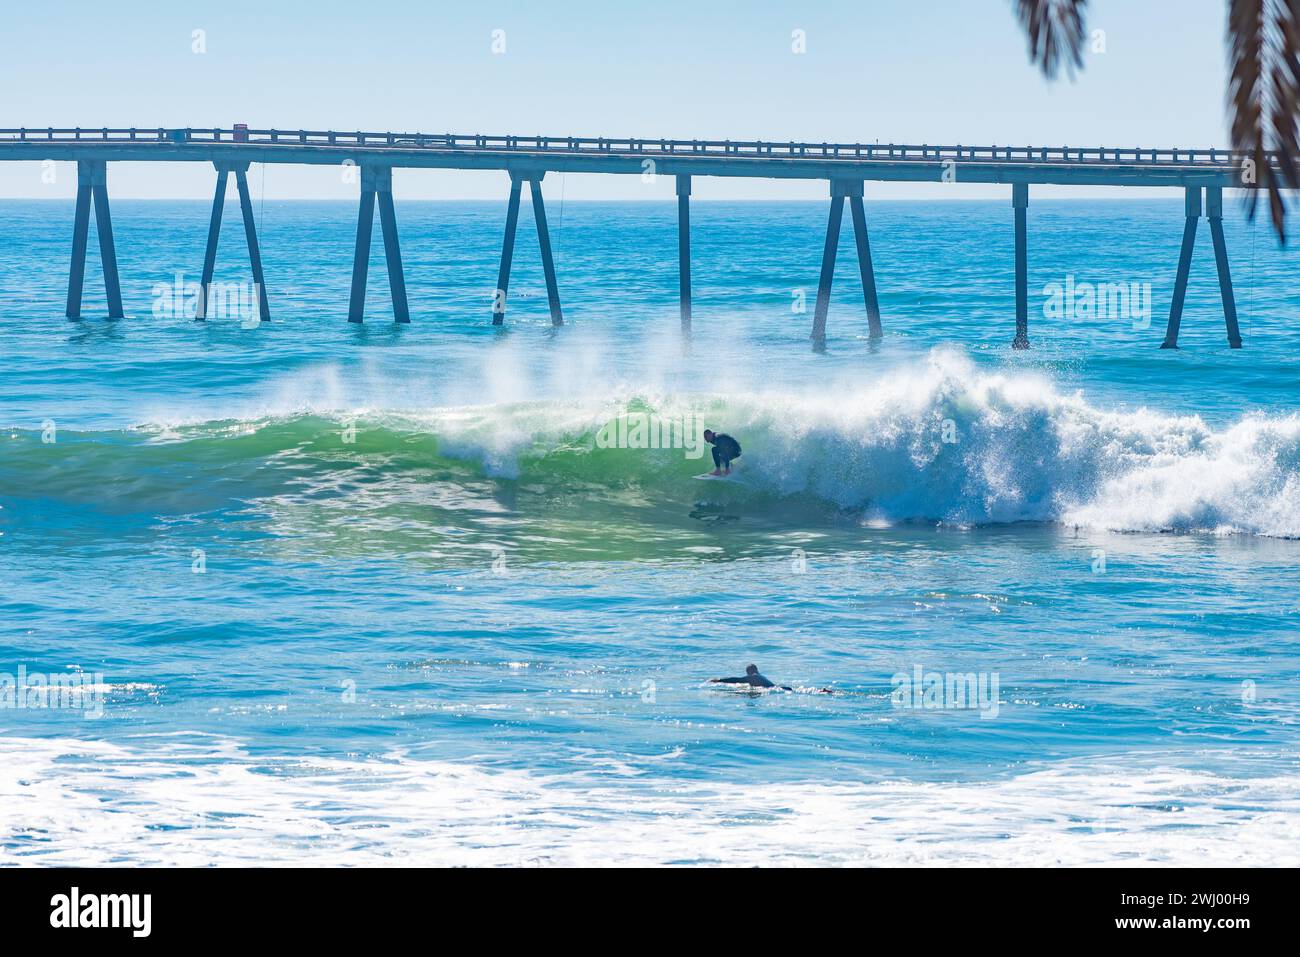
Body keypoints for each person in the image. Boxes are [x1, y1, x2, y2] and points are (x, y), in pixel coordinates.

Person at [710, 664, 790, 691]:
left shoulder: (753, 677)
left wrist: (719, 680)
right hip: (780, 688)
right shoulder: (761, 676)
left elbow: (736, 680)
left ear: (748, 672)